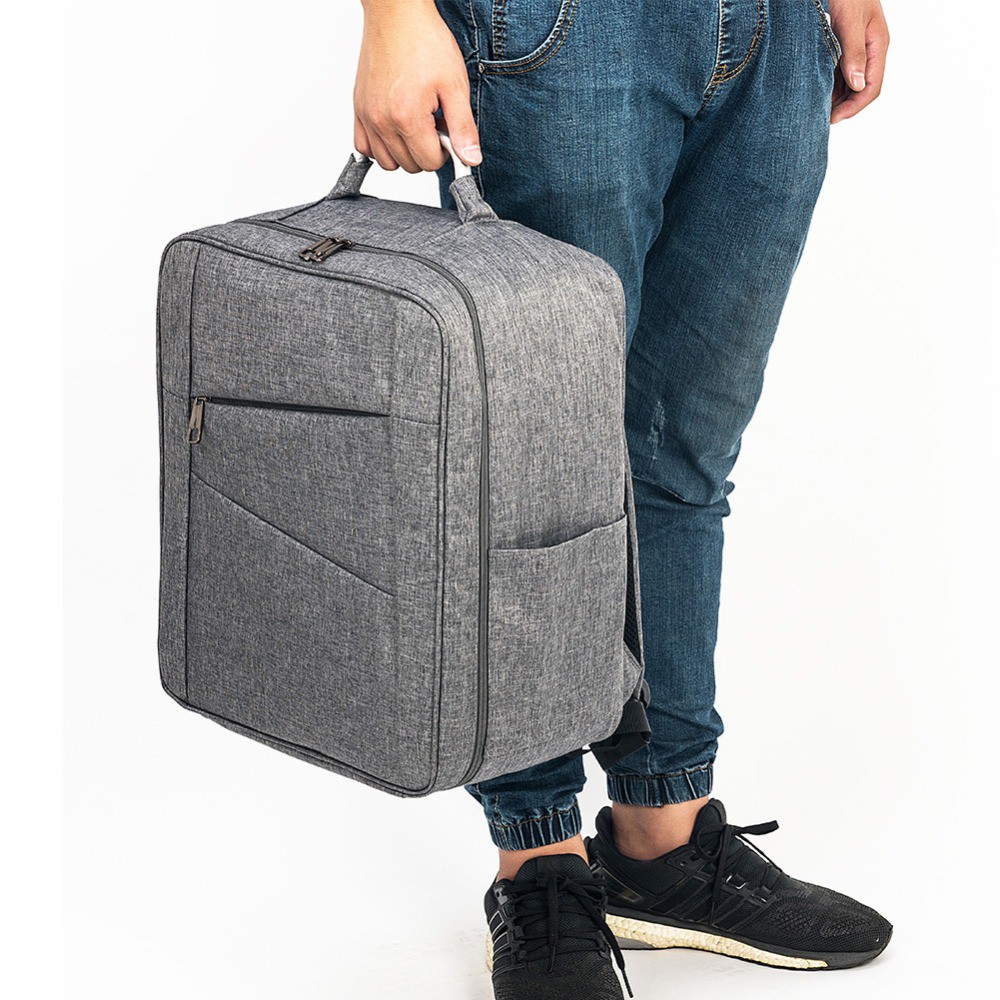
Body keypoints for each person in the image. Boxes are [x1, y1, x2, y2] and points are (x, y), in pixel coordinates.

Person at [354, 1, 892, 996]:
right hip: (565, 28)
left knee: (682, 452)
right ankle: (538, 863)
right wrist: (393, 15)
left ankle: (663, 845)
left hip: (780, 33)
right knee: (531, 463)